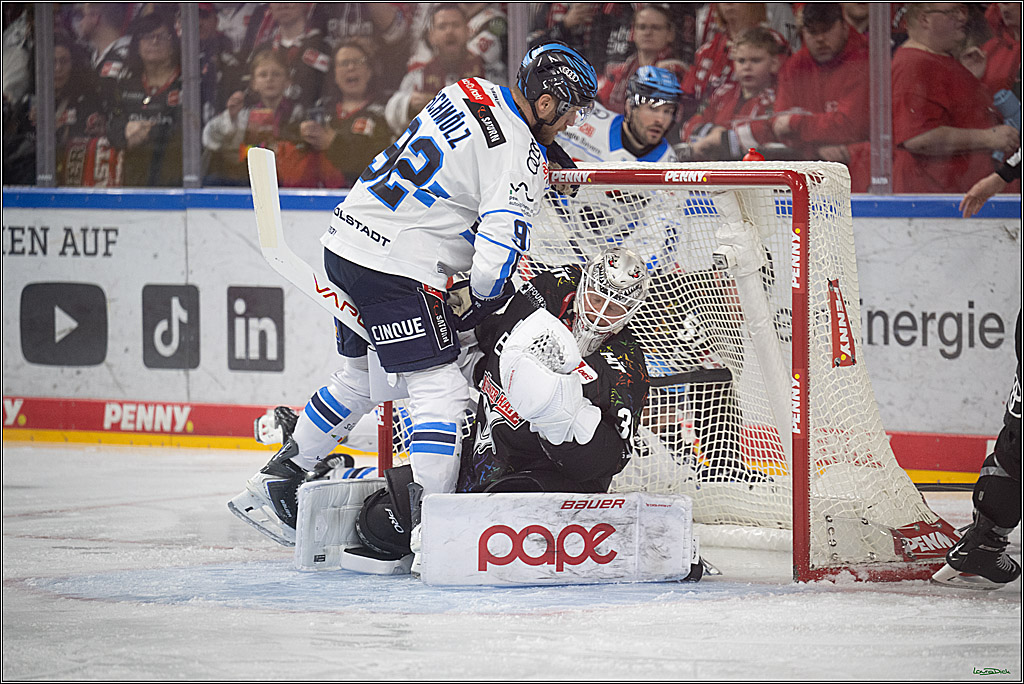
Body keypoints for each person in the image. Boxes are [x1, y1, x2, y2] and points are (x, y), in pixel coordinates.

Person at [228, 43, 599, 558]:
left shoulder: (468, 89)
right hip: (396, 268)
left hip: (347, 241)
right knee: (440, 389)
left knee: (361, 378)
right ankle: (432, 528)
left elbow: (478, 149)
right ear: (545, 101)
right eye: (570, 108)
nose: (573, 121)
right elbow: (493, 263)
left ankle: (277, 479)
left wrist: (536, 150)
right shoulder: (518, 156)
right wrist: (485, 306)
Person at [457, 247, 651, 495]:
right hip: (480, 468)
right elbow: (502, 337)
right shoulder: (548, 290)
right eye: (596, 299)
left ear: (630, 312)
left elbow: (612, 459)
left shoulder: (627, 367)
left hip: (546, 488)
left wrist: (564, 421)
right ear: (583, 286)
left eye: (613, 309)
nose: (599, 314)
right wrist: (472, 329)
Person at [892, 2, 1019, 194]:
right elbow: (919, 138)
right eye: (952, 12)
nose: (962, 17)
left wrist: (970, 79)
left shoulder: (937, 59)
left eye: (962, 10)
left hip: (960, 192)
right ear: (925, 19)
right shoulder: (914, 64)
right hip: (939, 198)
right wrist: (988, 138)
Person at [771, 2, 871, 191]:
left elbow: (851, 127)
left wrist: (796, 123)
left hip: (859, 179)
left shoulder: (865, 60)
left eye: (826, 30)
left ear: (844, 26)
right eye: (813, 32)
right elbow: (779, 127)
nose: (820, 39)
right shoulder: (795, 66)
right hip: (807, 178)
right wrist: (817, 148)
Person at [297, 41, 394, 188]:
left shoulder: (384, 112)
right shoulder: (320, 108)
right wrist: (301, 132)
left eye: (358, 62)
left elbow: (379, 160)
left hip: (363, 194)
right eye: (344, 63)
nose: (351, 67)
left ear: (369, 71)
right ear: (335, 74)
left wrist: (333, 144)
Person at [202, 49, 304, 186]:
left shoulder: (298, 114)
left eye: (276, 74)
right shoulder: (244, 115)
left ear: (287, 82)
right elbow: (209, 139)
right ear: (254, 83)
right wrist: (231, 117)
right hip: (249, 179)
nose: (269, 79)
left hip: (288, 178)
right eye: (263, 75)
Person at [679, 26, 783, 161]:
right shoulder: (722, 93)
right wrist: (713, 132)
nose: (747, 67)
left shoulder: (777, 98)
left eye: (755, 60)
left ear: (774, 63)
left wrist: (719, 139)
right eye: (741, 60)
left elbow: (764, 134)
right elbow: (688, 127)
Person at [106, 11, 183, 187]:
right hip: (133, 178)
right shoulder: (126, 82)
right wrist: (125, 134)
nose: (154, 42)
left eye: (162, 36)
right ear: (137, 45)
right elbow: (112, 123)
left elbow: (189, 130)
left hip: (175, 177)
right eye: (147, 37)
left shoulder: (185, 82)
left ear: (173, 43)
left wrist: (148, 133)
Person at [384, 5, 484, 136]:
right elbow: (391, 112)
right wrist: (409, 104)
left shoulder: (487, 69)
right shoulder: (419, 75)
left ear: (468, 31)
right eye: (442, 26)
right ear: (431, 36)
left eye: (455, 25)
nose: (449, 31)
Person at [557, 65, 680, 164]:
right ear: (629, 106)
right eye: (653, 109)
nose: (660, 120)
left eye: (668, 111)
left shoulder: (669, 165)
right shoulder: (584, 120)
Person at [597, 5, 688, 116]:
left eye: (656, 27)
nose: (648, 32)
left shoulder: (676, 71)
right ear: (633, 33)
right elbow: (600, 104)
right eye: (642, 27)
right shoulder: (621, 72)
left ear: (670, 34)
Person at [248, 3, 332, 111]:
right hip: (268, 119)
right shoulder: (260, 50)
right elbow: (249, 94)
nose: (283, 4)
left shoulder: (324, 47)